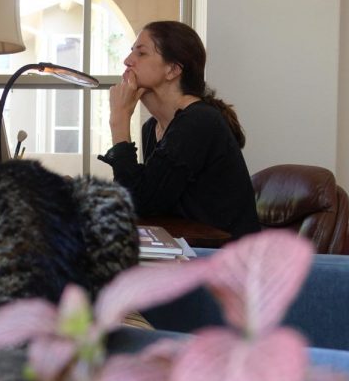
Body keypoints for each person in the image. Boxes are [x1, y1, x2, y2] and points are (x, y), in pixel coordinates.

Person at [97, 20, 261, 239]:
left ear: (172, 69)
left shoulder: (198, 122)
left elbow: (142, 202)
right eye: (130, 53)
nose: (127, 61)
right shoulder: (152, 128)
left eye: (141, 53)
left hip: (226, 259)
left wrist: (119, 120)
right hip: (186, 250)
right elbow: (147, 201)